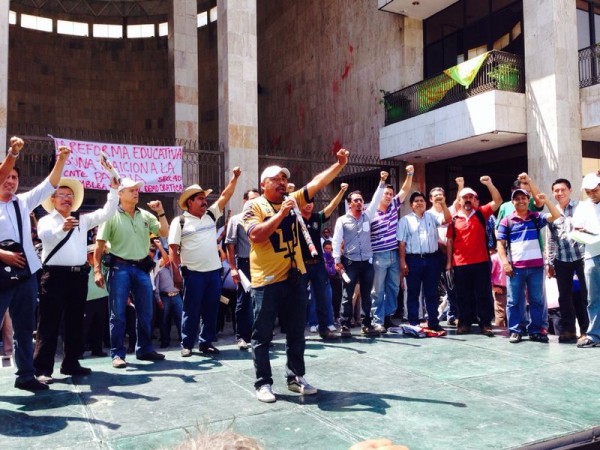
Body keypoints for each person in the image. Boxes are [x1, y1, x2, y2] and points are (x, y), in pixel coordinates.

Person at [243, 148, 348, 403]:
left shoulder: (294, 199)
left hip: (295, 278)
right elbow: (256, 235)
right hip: (267, 281)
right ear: (263, 184)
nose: (281, 182)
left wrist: (339, 164)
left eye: (283, 179)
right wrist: (281, 214)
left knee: (296, 332)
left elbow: (316, 183)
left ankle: (295, 377)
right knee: (263, 335)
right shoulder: (253, 205)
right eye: (275, 179)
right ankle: (263, 383)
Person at [33, 173, 119, 384]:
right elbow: (45, 238)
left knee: (74, 322)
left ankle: (71, 363)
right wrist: (62, 229)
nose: (66, 198)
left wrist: (114, 190)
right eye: (61, 195)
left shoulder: (83, 219)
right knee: (49, 324)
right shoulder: (46, 220)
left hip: (78, 276)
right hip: (54, 276)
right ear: (52, 200)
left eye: (69, 195)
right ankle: (43, 369)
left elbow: (106, 213)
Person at [0, 144, 70, 391]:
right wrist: (3, 255)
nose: (11, 181)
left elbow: (49, 185)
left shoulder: (22, 202)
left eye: (15, 177)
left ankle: (26, 376)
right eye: (6, 176)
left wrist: (61, 160)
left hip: (26, 276)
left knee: (24, 327)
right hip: (1, 276)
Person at [94, 178, 169, 369]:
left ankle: (144, 348)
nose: (136, 192)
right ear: (119, 194)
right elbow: (99, 245)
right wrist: (97, 270)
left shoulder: (145, 215)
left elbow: (164, 232)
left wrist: (160, 212)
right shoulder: (110, 216)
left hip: (141, 268)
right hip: (119, 268)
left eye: (137, 190)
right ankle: (117, 354)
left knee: (146, 311)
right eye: (131, 190)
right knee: (118, 313)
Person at [169, 167, 241, 357]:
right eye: (200, 198)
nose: (205, 201)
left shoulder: (210, 215)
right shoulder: (180, 221)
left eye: (204, 198)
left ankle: (206, 342)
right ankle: (187, 344)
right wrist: (175, 271)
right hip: (192, 273)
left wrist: (234, 178)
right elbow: (173, 248)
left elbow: (225, 196)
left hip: (214, 273)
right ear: (189, 202)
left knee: (212, 309)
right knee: (191, 310)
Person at [496, 187, 561, 343]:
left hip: (536, 268)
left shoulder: (535, 217)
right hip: (515, 268)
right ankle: (515, 330)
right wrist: (505, 263)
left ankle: (536, 330)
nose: (521, 201)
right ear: (513, 202)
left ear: (528, 200)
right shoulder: (507, 220)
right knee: (514, 301)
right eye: (517, 199)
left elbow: (556, 215)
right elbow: (500, 244)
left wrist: (546, 201)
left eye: (523, 198)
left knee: (537, 300)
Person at [332, 171, 387, 338]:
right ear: (349, 204)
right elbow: (336, 240)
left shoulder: (367, 216)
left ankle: (367, 324)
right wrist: (336, 259)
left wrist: (382, 182)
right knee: (348, 295)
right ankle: (345, 325)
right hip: (350, 262)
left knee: (367, 294)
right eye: (355, 200)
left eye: (361, 200)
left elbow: (377, 198)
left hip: (366, 262)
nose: (359, 203)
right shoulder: (342, 220)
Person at [446, 176, 502, 336]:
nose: (468, 200)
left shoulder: (481, 213)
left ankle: (485, 324)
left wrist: (489, 184)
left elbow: (497, 200)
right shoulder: (454, 218)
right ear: (460, 200)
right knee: (462, 295)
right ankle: (464, 323)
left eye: (471, 197)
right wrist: (449, 263)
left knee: (483, 294)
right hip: (460, 264)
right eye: (465, 197)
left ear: (475, 199)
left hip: (481, 262)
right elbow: (450, 241)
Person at [397, 190, 451, 333]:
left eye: (422, 200)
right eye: (416, 201)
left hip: (432, 259)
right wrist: (402, 262)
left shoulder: (432, 217)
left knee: (431, 292)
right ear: (411, 204)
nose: (419, 203)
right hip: (413, 259)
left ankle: (433, 321)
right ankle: (414, 321)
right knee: (413, 292)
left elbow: (447, 220)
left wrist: (444, 204)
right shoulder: (405, 220)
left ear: (426, 203)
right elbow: (401, 243)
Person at [300, 183, 348, 340]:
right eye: (305, 202)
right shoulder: (295, 219)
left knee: (322, 298)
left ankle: (324, 330)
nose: (308, 205)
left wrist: (341, 191)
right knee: (299, 298)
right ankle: (298, 332)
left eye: (311, 202)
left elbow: (332, 205)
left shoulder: (317, 218)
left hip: (318, 265)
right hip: (301, 265)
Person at [370, 165, 414, 333]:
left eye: (390, 193)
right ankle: (377, 320)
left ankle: (387, 317)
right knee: (378, 290)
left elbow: (405, 189)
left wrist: (410, 174)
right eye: (385, 193)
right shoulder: (371, 212)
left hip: (394, 254)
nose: (388, 196)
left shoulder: (394, 205)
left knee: (394, 288)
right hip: (378, 256)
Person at [546, 178, 588, 343]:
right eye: (556, 190)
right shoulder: (551, 212)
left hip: (582, 256)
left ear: (570, 190)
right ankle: (569, 330)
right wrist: (549, 262)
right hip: (561, 259)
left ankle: (586, 330)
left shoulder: (581, 207)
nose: (559, 193)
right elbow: (550, 239)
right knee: (564, 296)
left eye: (562, 189)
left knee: (586, 295)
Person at [225, 188, 260, 350]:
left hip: (262, 264)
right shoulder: (236, 220)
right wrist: (233, 268)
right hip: (245, 264)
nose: (254, 203)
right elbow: (230, 245)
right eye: (252, 199)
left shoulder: (262, 219)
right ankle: (241, 336)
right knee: (243, 301)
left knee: (261, 300)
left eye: (258, 199)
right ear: (245, 201)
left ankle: (259, 335)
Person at [572, 171, 600, 348]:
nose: (591, 194)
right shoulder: (582, 206)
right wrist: (581, 231)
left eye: (594, 190)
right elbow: (576, 227)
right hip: (591, 254)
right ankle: (595, 335)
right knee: (593, 299)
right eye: (588, 191)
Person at [428, 185, 458, 326]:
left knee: (452, 286)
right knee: (432, 287)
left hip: (451, 254)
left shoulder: (450, 211)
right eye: (436, 196)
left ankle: (453, 315)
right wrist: (442, 246)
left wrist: (460, 185)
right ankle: (431, 316)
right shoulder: (427, 214)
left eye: (441, 196)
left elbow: (458, 200)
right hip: (434, 254)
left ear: (445, 198)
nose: (439, 198)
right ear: (431, 199)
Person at [82, 243, 109, 358]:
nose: (95, 256)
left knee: (100, 325)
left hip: (102, 298)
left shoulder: (102, 266)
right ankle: (79, 351)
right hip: (87, 301)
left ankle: (97, 349)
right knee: (84, 327)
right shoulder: (84, 268)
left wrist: (104, 250)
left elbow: (108, 254)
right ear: (87, 256)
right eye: (92, 254)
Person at [154, 241, 182, 349]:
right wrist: (158, 299)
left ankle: (183, 338)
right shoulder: (159, 268)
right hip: (164, 297)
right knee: (164, 320)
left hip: (176, 295)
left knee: (180, 318)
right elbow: (156, 286)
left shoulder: (175, 267)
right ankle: (165, 340)